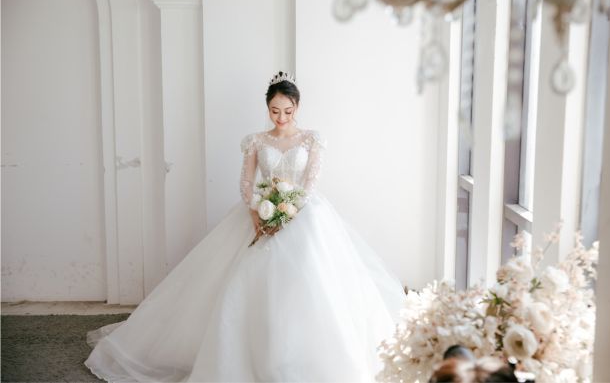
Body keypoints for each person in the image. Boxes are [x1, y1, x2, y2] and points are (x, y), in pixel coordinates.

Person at [83, 71, 406, 382]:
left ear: (297, 107)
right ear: (267, 108)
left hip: (305, 215)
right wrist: (257, 213)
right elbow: (246, 182)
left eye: (288, 111)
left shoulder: (311, 140)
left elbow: (310, 183)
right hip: (260, 213)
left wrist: (290, 211)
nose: (281, 117)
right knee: (242, 279)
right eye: (275, 111)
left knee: (312, 279)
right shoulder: (256, 141)